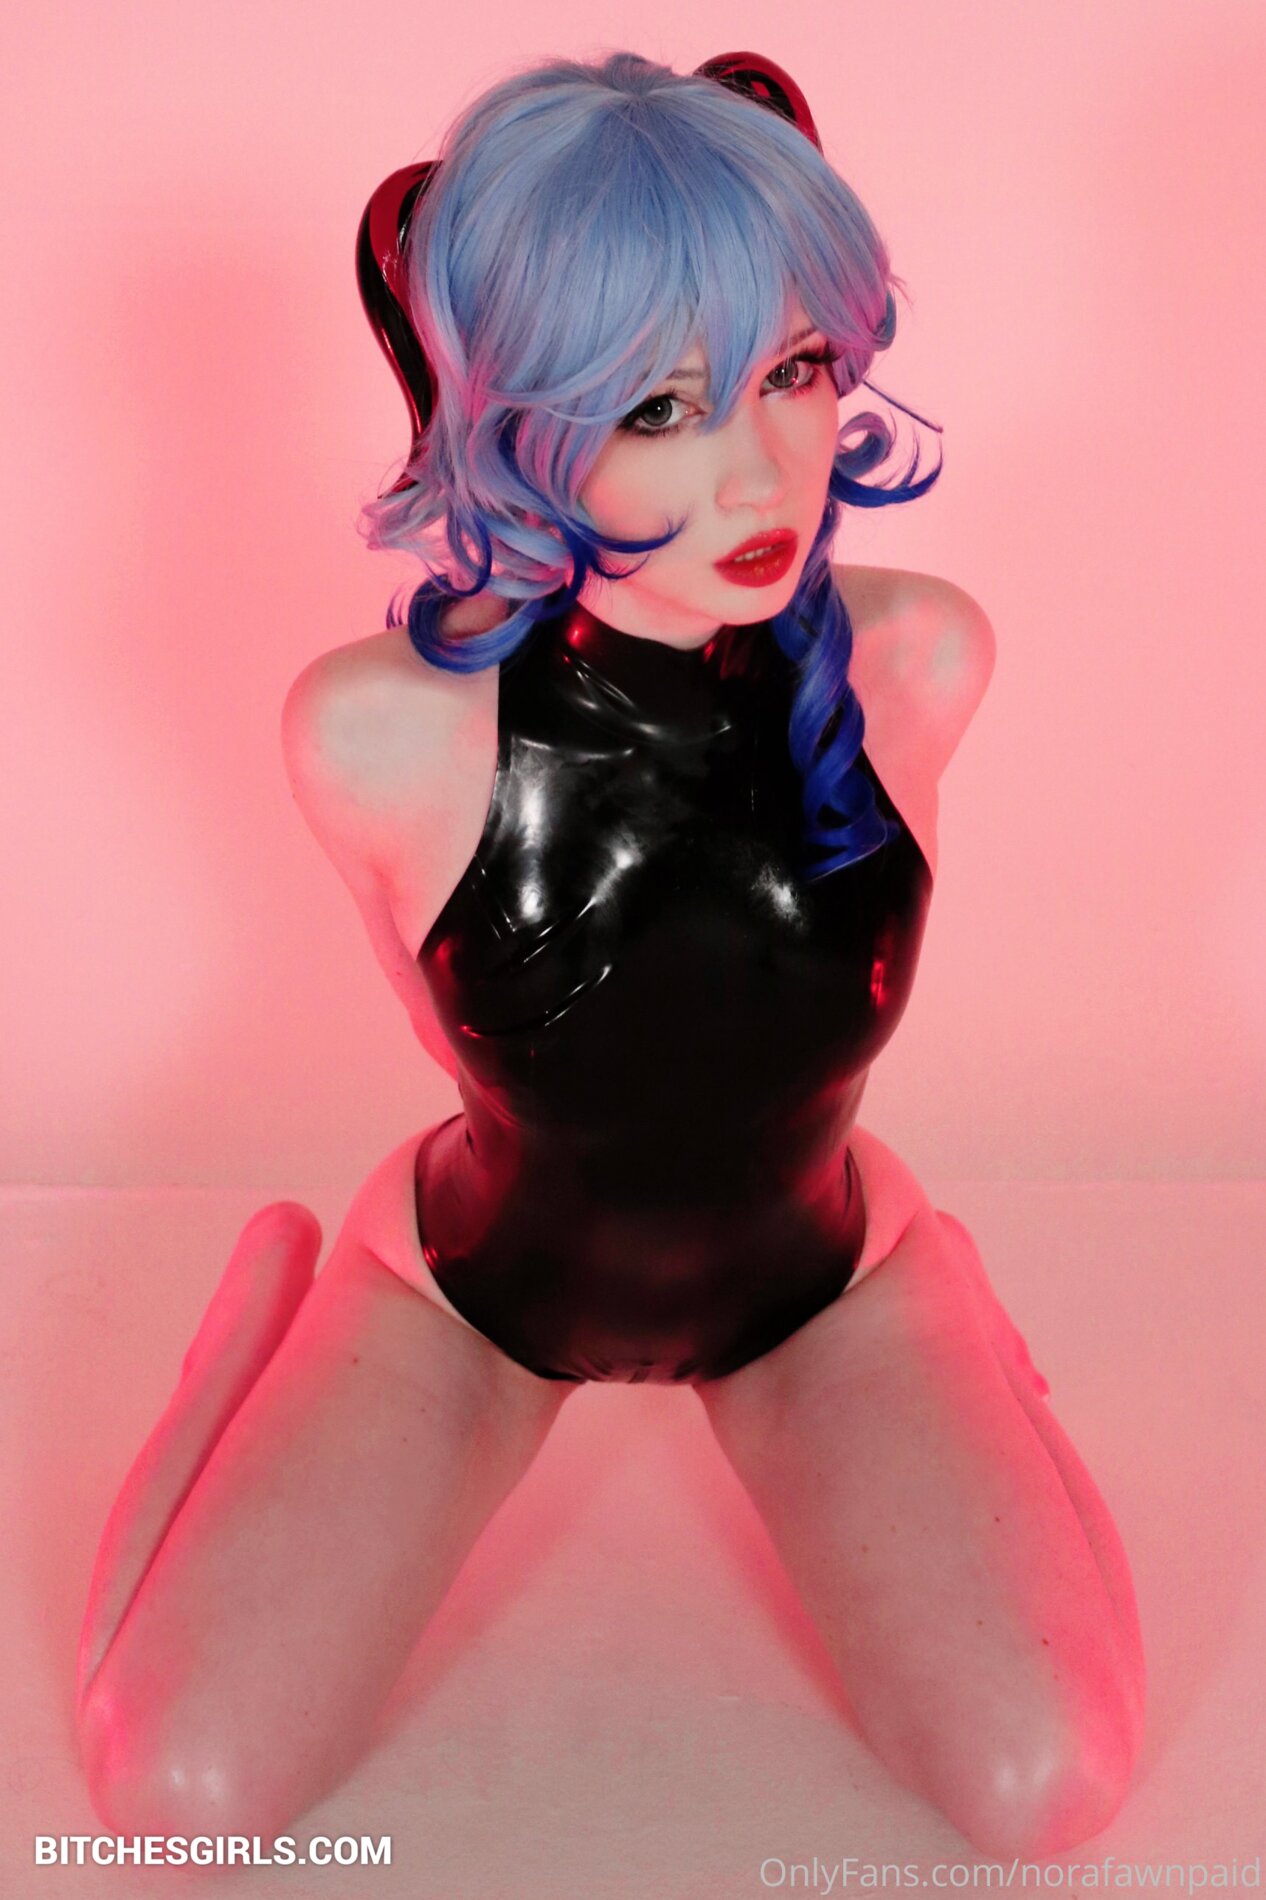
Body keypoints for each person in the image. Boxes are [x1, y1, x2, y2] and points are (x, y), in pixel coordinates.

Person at [75, 49, 1145, 1856]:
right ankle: (256, 1322)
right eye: (657, 406)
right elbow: (469, 1024)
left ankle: (957, 1309)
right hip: (475, 1293)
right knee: (173, 1802)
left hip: (820, 1281)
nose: (759, 469)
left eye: (792, 371)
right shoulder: (377, 738)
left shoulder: (920, 661)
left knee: (1051, 1794)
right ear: (511, 424)